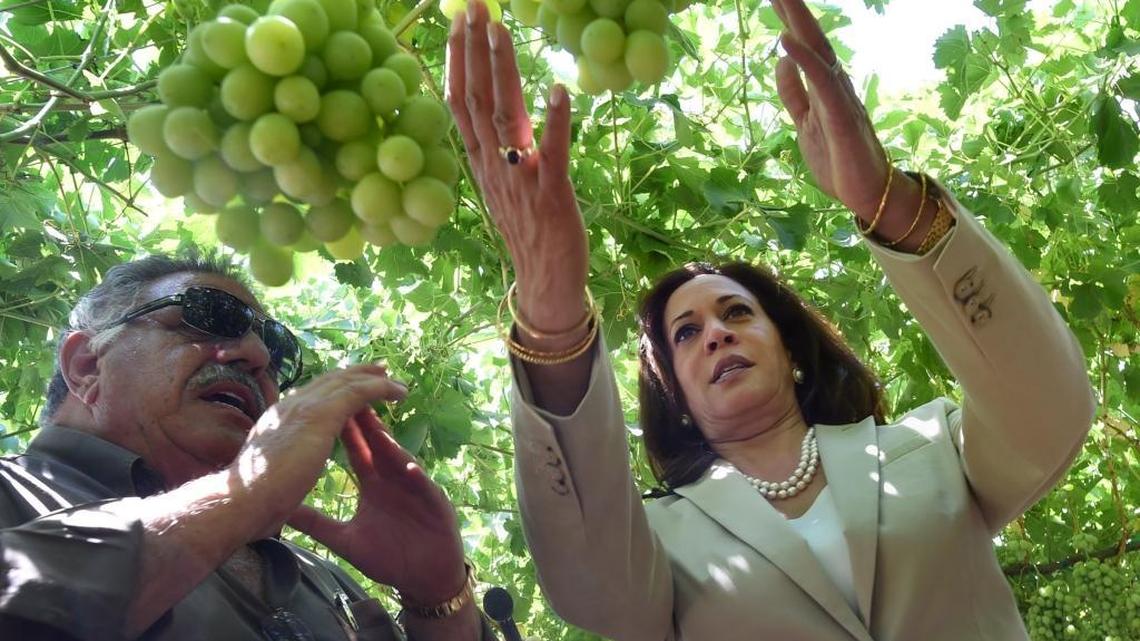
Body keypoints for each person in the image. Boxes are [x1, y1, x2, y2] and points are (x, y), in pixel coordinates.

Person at [446, 0, 1096, 638]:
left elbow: (1048, 409)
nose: (717, 332)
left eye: (736, 311)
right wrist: (551, 313)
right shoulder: (656, 542)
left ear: (791, 350)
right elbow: (586, 583)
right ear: (674, 393)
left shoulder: (929, 449)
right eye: (686, 333)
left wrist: (887, 201)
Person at [0, 254, 496, 641]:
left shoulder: (320, 578)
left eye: (277, 354)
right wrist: (239, 495)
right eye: (207, 318)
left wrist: (440, 603)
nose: (257, 357)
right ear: (88, 365)